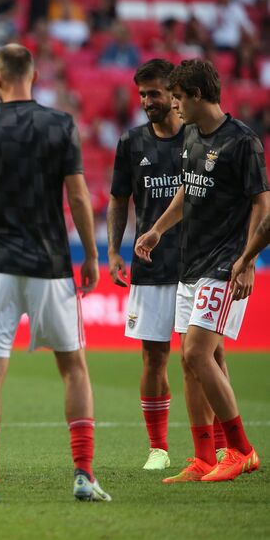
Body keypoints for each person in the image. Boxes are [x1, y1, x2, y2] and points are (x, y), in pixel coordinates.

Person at [0, 44, 111, 504]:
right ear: (35, 74)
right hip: (52, 265)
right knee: (73, 367)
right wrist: (91, 254)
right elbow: (80, 197)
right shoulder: (61, 124)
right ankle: (84, 476)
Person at [135, 59, 269, 483]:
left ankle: (242, 450)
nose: (174, 107)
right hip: (190, 264)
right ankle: (205, 457)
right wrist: (157, 229)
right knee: (193, 362)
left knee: (197, 352)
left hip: (225, 264)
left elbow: (263, 206)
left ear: (195, 95)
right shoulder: (192, 134)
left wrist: (247, 261)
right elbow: (186, 192)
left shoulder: (243, 142)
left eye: (177, 98)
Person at [108, 59, 190, 471]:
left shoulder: (199, 138)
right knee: (154, 358)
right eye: (142, 95)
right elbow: (118, 200)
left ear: (175, 95)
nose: (147, 102)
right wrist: (112, 251)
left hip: (199, 263)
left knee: (205, 358)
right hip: (151, 265)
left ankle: (217, 446)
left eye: (154, 93)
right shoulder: (132, 143)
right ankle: (158, 448)